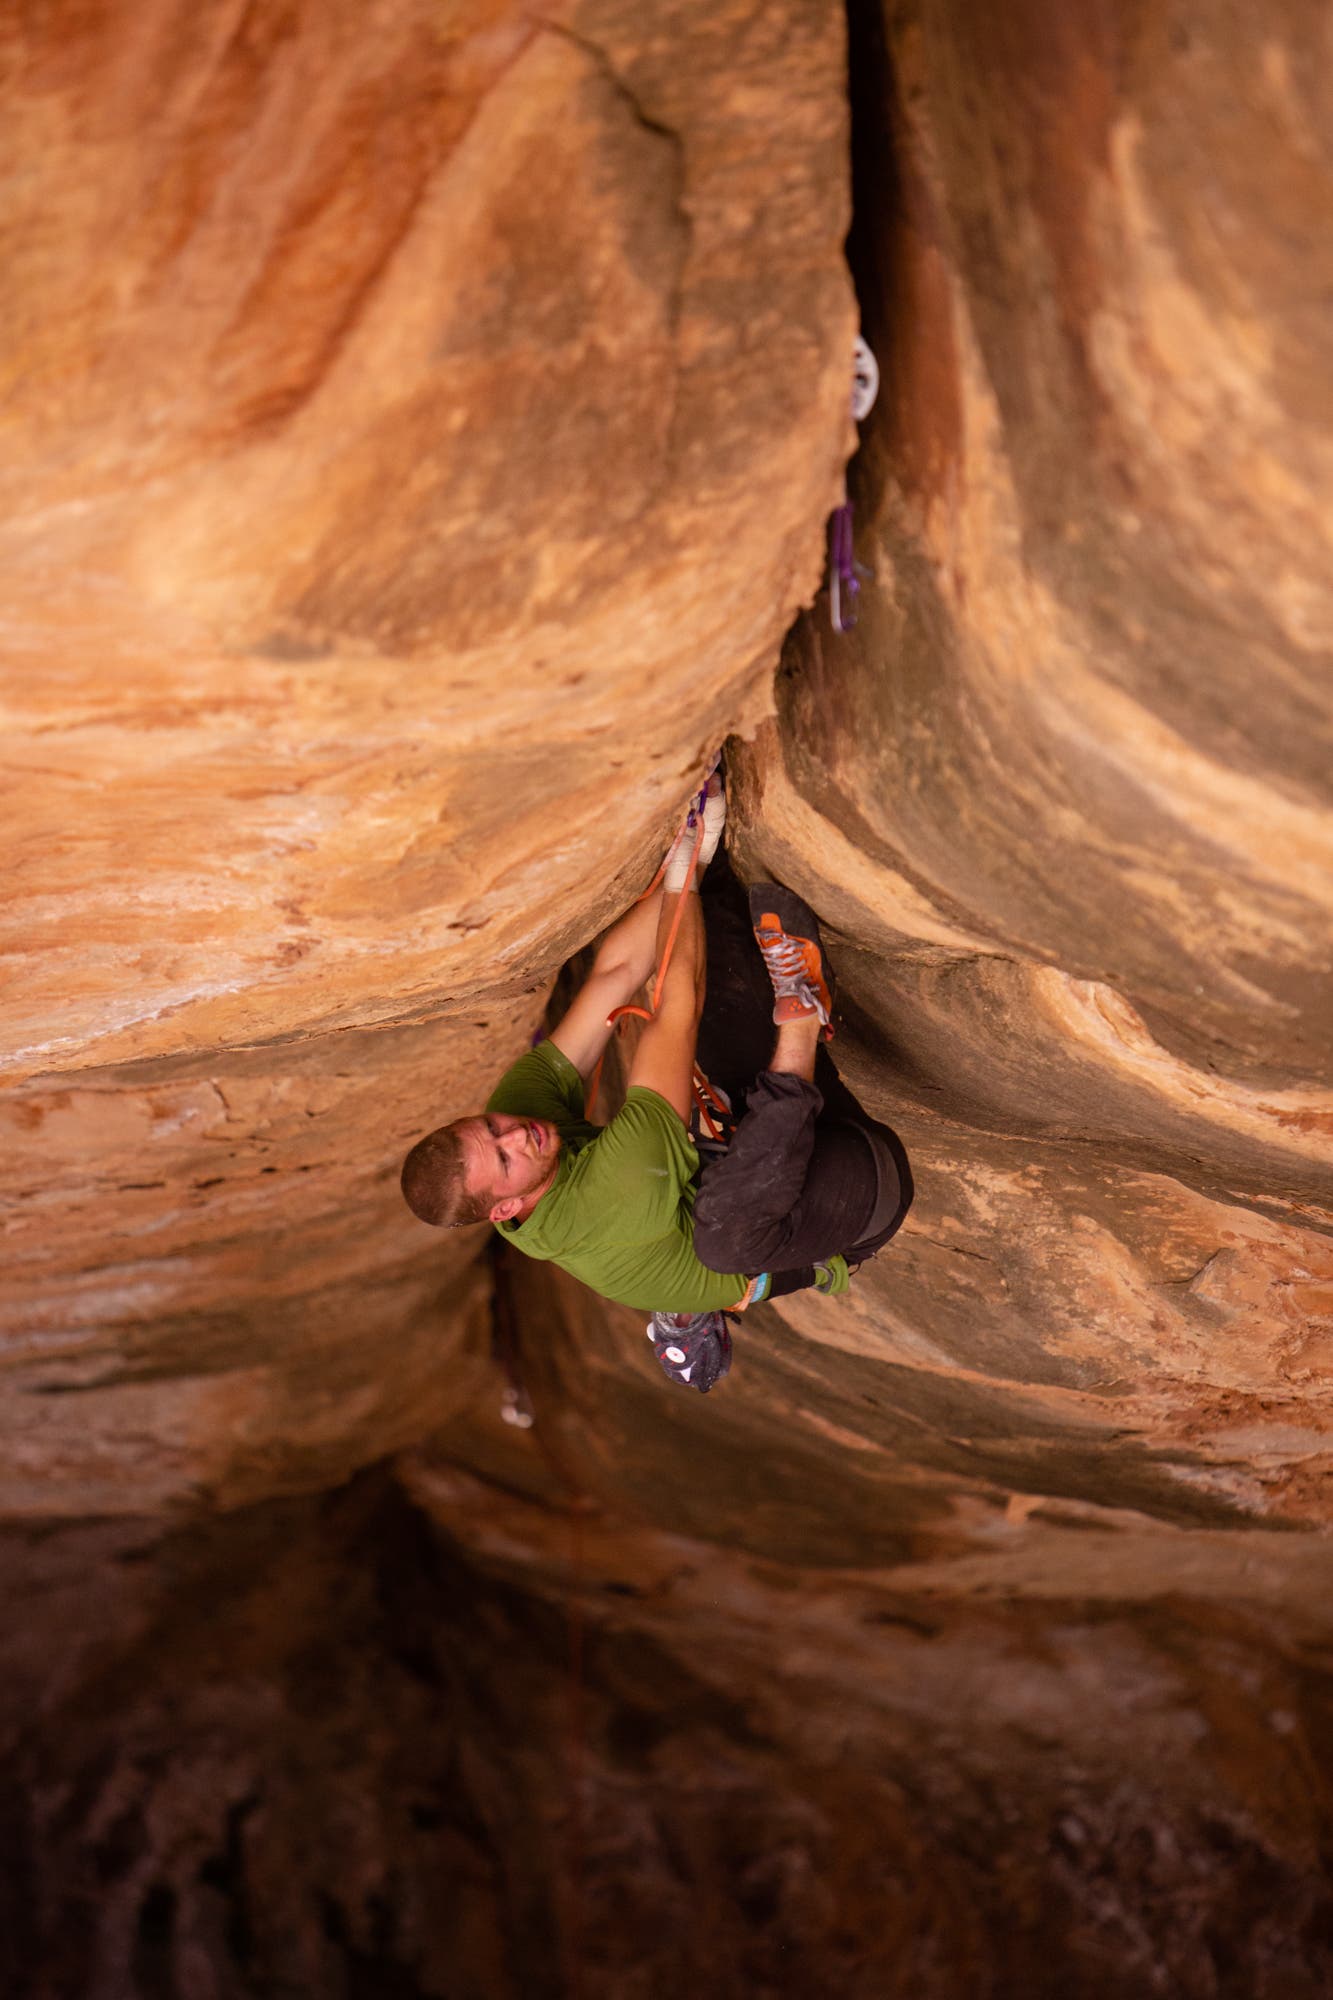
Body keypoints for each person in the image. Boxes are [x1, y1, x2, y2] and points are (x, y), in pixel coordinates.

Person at [400, 777, 911, 1384]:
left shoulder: (513, 1135)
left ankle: (723, 886)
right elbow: (675, 1007)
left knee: (708, 945)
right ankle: (801, 1013)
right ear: (507, 1208)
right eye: (507, 1160)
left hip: (769, 1145)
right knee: (722, 1237)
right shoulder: (605, 1205)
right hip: (853, 1197)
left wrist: (687, 850)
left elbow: (615, 976)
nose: (518, 1135)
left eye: (491, 1127)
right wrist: (686, 861)